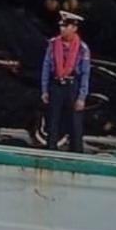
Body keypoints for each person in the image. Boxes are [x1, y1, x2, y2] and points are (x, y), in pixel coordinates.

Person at [40, 11, 91, 152]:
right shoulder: (53, 44)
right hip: (56, 84)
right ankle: (51, 149)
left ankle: (76, 152)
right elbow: (46, 67)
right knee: (53, 120)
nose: (62, 29)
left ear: (74, 28)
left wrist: (82, 97)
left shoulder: (82, 48)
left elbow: (85, 73)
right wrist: (44, 90)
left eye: (66, 26)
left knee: (75, 122)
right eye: (61, 26)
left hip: (72, 85)